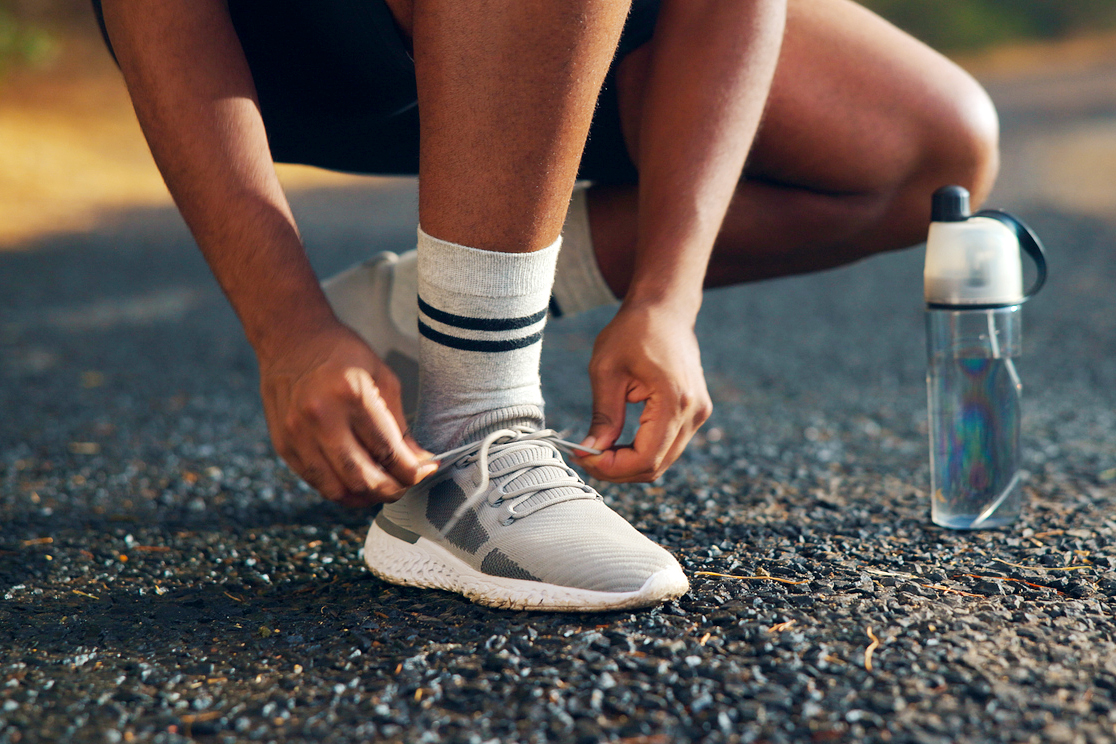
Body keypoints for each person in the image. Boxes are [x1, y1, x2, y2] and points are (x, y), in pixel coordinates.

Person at [94, 0, 998, 611]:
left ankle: (415, 315)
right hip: (303, 44)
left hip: (572, 38)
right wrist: (285, 326)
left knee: (932, 147)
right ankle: (471, 429)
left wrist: (665, 295)